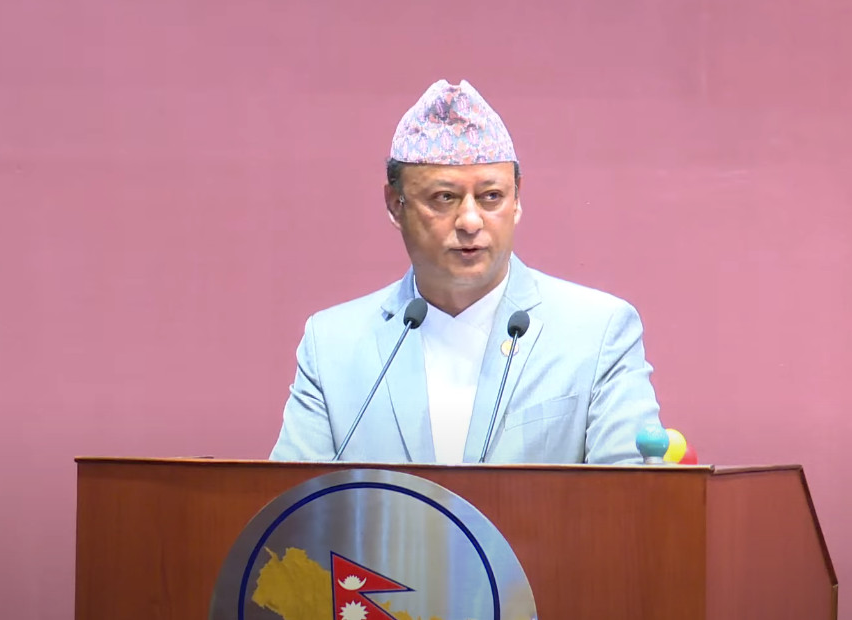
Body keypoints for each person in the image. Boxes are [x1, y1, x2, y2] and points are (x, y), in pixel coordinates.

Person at [270, 79, 661, 464]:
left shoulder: (597, 332)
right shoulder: (333, 345)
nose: (471, 221)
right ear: (394, 204)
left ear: (517, 200)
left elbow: (630, 496)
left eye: (491, 197)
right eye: (444, 198)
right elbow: (291, 500)